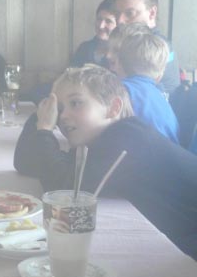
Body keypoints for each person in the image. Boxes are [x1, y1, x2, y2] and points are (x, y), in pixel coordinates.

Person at [14, 65, 197, 259]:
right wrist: (41, 117)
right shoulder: (98, 141)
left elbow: (65, 194)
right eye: (58, 108)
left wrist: (44, 129)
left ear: (113, 108)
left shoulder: (129, 138)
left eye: (76, 103)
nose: (63, 115)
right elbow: (26, 163)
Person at [105, 23, 180, 143]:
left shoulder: (122, 90)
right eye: (107, 49)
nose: (108, 55)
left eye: (117, 51)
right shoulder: (158, 95)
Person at [112, 0, 180, 94]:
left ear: (152, 13)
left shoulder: (153, 45)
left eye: (130, 13)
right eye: (117, 14)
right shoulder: (129, 41)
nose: (120, 20)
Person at [70, 0, 117, 68]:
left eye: (108, 21)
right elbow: (72, 71)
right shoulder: (84, 48)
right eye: (99, 19)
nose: (101, 26)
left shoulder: (122, 54)